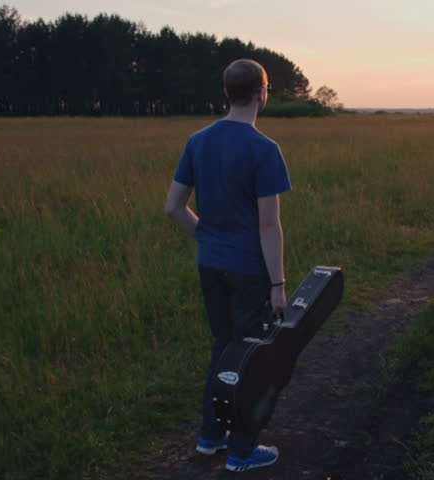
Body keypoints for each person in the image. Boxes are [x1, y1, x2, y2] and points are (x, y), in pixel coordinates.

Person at [164, 59, 291, 472]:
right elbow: (268, 225)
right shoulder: (264, 149)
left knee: (222, 347)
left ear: (225, 92)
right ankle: (242, 450)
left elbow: (173, 208)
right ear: (262, 93)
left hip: (210, 264)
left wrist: (207, 237)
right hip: (249, 271)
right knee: (251, 356)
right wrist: (278, 284)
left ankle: (210, 435)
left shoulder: (197, 141)